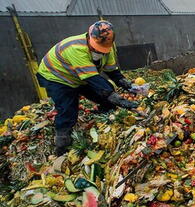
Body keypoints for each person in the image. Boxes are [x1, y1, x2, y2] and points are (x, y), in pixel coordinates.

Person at [37, 21, 147, 156]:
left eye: (102, 49)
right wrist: (118, 99)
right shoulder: (76, 48)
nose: (98, 51)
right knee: (68, 108)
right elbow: (92, 79)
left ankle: (103, 116)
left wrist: (127, 85)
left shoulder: (108, 46)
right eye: (96, 48)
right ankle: (62, 145)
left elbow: (112, 72)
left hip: (80, 75)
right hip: (56, 76)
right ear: (89, 38)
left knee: (105, 94)